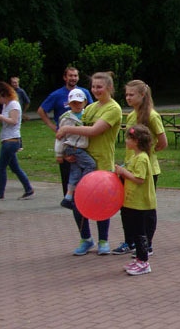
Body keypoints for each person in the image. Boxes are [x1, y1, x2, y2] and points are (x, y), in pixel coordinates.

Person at [56, 71, 122, 256]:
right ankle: (86, 239)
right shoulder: (91, 108)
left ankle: (103, 240)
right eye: (93, 87)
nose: (95, 90)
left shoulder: (113, 109)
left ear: (109, 88)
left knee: (101, 203)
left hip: (101, 162)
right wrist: (69, 152)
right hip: (81, 161)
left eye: (99, 87)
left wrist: (66, 128)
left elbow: (94, 131)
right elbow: (77, 132)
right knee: (77, 202)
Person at [112, 80, 168, 256]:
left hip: (146, 169)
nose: (128, 97)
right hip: (129, 167)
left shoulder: (152, 116)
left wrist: (147, 153)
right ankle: (130, 241)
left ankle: (147, 244)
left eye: (131, 94)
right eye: (126, 94)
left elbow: (163, 142)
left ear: (142, 95)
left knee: (145, 209)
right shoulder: (130, 115)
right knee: (127, 208)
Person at [37, 67, 93, 199]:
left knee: (82, 167)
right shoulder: (57, 94)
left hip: (83, 139)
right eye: (70, 76)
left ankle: (82, 194)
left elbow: (92, 109)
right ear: (65, 77)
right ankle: (68, 197)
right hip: (67, 139)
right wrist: (53, 127)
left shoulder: (84, 92)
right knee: (68, 169)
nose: (73, 78)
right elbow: (41, 110)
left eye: (75, 76)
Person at [114, 124, 157, 276]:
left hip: (142, 205)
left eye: (129, 138)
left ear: (137, 141)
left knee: (141, 234)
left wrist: (123, 172)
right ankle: (139, 258)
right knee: (135, 232)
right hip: (132, 203)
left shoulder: (142, 159)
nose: (126, 141)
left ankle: (144, 262)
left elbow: (139, 179)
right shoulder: (134, 157)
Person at [0, 82, 34, 201]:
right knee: (15, 168)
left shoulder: (13, 104)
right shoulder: (6, 105)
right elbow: (5, 121)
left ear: (5, 94)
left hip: (11, 141)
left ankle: (0, 193)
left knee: (1, 167)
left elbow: (13, 121)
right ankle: (28, 189)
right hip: (7, 140)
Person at [55, 89, 97, 209]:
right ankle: (81, 188)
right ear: (69, 104)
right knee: (91, 165)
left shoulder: (87, 115)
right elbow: (59, 137)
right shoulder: (66, 118)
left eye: (79, 102)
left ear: (84, 102)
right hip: (73, 147)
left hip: (81, 148)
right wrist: (59, 153)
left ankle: (69, 197)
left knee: (75, 171)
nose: (77, 105)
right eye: (74, 103)